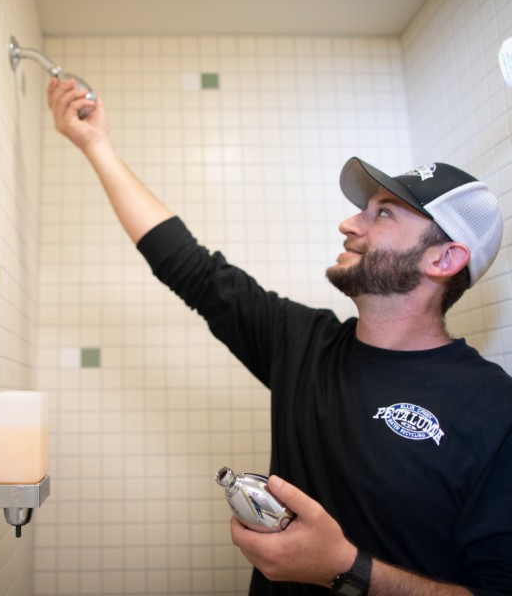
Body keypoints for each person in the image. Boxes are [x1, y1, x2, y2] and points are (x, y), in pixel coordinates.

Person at [47, 78, 512, 596]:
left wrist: (345, 567)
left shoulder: (495, 410)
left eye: (382, 213)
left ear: (444, 259)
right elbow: (190, 267)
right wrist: (97, 146)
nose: (347, 223)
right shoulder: (303, 344)